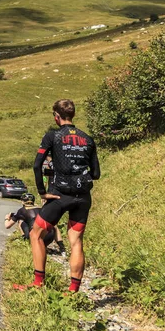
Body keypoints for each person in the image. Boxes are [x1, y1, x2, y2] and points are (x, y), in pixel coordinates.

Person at [17, 99, 100, 293]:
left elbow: (37, 165)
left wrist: (42, 192)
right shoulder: (88, 139)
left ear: (56, 116)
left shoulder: (52, 136)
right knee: (76, 241)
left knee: (36, 234)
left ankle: (38, 283)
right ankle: (73, 290)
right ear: (73, 115)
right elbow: (96, 174)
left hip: (59, 195)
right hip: (83, 196)